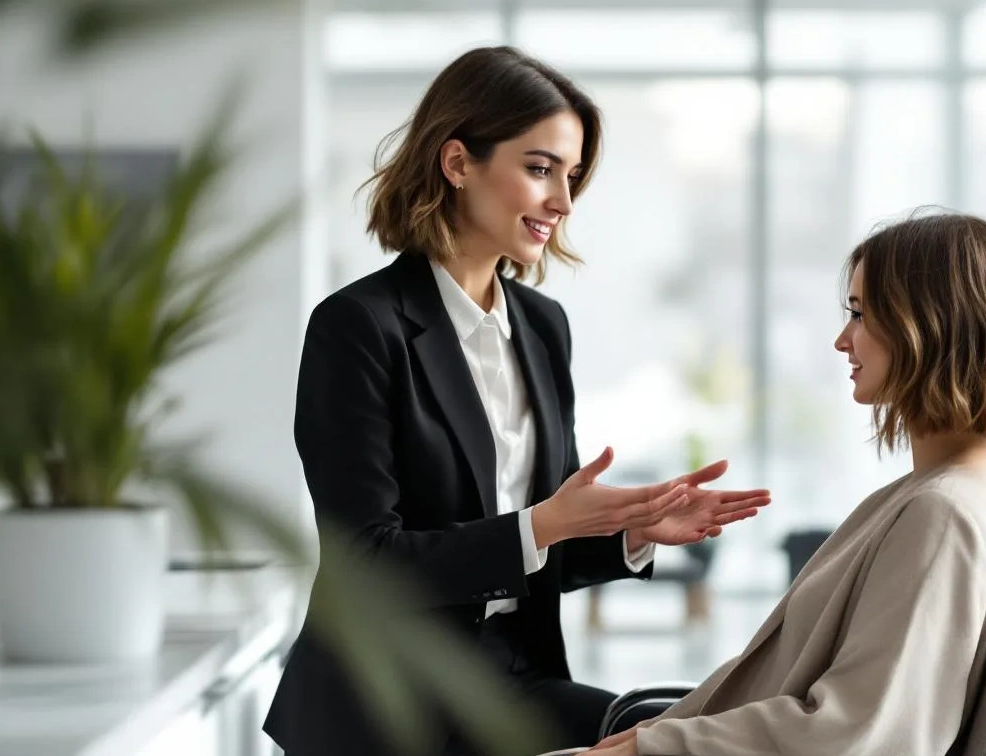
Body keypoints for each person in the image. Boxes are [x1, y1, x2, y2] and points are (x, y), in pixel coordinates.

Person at [263, 46, 771, 756]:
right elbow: (368, 563)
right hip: (384, 704)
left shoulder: (540, 327)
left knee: (694, 739)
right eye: (540, 170)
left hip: (511, 682)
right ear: (457, 162)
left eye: (571, 175)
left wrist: (634, 532)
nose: (563, 201)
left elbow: (539, 547)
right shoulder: (360, 327)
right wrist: (541, 525)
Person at [587, 211, 986, 756]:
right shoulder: (977, 490)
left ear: (927, 325)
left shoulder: (942, 512)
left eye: (859, 314)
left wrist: (647, 748)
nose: (841, 340)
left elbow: (857, 734)